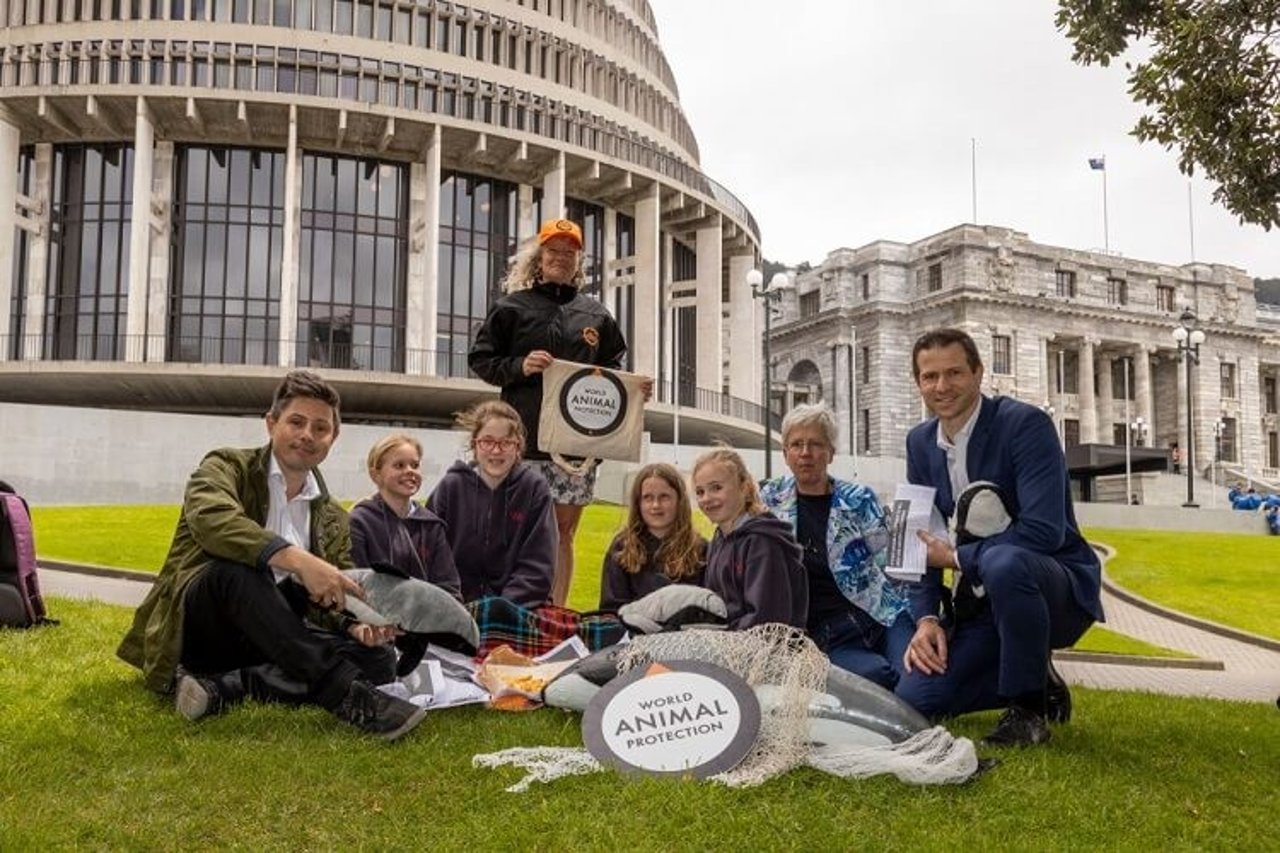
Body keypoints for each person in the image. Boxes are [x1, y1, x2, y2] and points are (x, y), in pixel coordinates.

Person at [116, 371, 426, 740]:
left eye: (320, 428)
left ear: (333, 438)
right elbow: (213, 521)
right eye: (296, 422)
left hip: (276, 639)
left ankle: (230, 687)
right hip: (208, 625)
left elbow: (328, 597)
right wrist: (298, 559)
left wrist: (354, 625)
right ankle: (345, 694)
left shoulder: (332, 517)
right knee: (239, 571)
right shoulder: (225, 466)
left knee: (377, 659)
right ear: (271, 422)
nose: (307, 435)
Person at [896, 329, 1103, 747]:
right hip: (982, 603)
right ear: (918, 382)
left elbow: (1045, 531)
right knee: (918, 697)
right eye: (930, 376)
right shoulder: (919, 443)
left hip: (1050, 586)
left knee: (1003, 561)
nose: (942, 386)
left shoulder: (1025, 425)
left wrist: (956, 558)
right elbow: (917, 539)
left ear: (978, 373)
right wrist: (927, 618)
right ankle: (1034, 672)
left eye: (954, 373)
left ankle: (1028, 710)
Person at [468, 218, 630, 608]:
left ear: (579, 263)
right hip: (520, 443)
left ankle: (555, 614)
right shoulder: (510, 308)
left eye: (569, 253)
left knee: (564, 533)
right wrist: (519, 366)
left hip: (574, 447)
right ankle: (508, 607)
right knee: (511, 530)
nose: (561, 258)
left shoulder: (597, 316)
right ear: (538, 259)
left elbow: (615, 372)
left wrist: (632, 389)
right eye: (553, 251)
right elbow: (481, 359)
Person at [760, 404, 913, 690]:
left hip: (880, 613)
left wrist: (912, 614)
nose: (806, 453)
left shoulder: (858, 498)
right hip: (825, 629)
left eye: (816, 444)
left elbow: (891, 563)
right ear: (785, 454)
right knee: (875, 678)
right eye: (797, 444)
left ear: (830, 453)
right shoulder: (770, 498)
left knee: (916, 680)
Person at [427, 400, 557, 606]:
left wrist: (501, 607)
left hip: (518, 606)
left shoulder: (534, 489)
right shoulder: (451, 487)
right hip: (454, 603)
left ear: (518, 448)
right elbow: (430, 554)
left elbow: (539, 564)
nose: (496, 451)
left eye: (506, 443)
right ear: (474, 445)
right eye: (487, 441)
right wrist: (453, 603)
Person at [692, 447, 807, 631]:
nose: (706, 498)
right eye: (700, 492)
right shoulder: (720, 539)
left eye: (716, 488)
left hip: (764, 651)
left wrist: (715, 636)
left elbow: (767, 622)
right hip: (724, 643)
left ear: (744, 488)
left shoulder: (762, 543)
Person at [348, 434, 462, 601]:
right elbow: (355, 582)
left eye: (415, 465)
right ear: (376, 475)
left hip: (428, 619)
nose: (410, 471)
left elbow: (448, 586)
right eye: (399, 465)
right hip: (377, 618)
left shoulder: (432, 526)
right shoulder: (359, 522)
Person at [599, 463, 707, 610]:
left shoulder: (699, 549)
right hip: (634, 631)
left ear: (679, 501)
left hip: (685, 631)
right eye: (647, 498)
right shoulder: (622, 547)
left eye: (664, 497)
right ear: (638, 503)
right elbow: (610, 609)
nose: (656, 505)